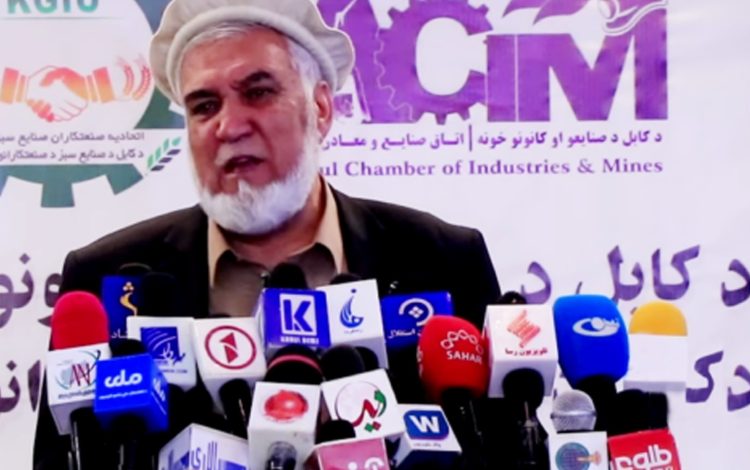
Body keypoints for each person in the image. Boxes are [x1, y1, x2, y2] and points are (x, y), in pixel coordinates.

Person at [34, 0, 500, 467]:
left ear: (320, 108)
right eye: (205, 106)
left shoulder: (443, 259)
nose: (229, 127)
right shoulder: (103, 276)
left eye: (257, 92)